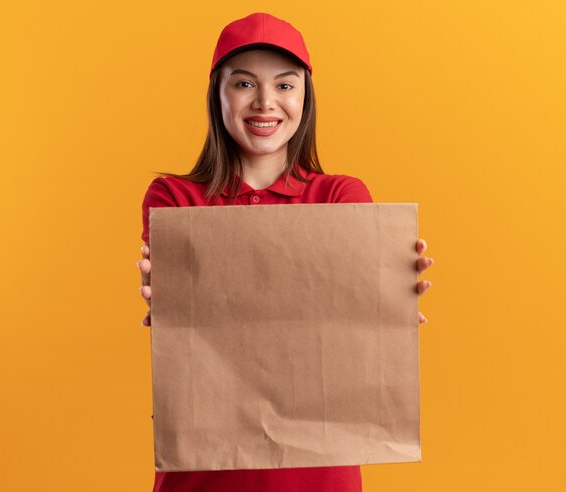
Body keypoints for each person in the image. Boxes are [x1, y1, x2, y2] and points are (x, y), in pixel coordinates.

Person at [136, 12, 434, 492]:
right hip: (202, 474)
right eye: (244, 83)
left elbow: (347, 334)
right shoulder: (175, 200)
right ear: (218, 95)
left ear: (305, 98)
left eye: (285, 85)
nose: (265, 102)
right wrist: (166, 305)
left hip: (321, 476)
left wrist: (388, 309)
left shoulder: (341, 197)